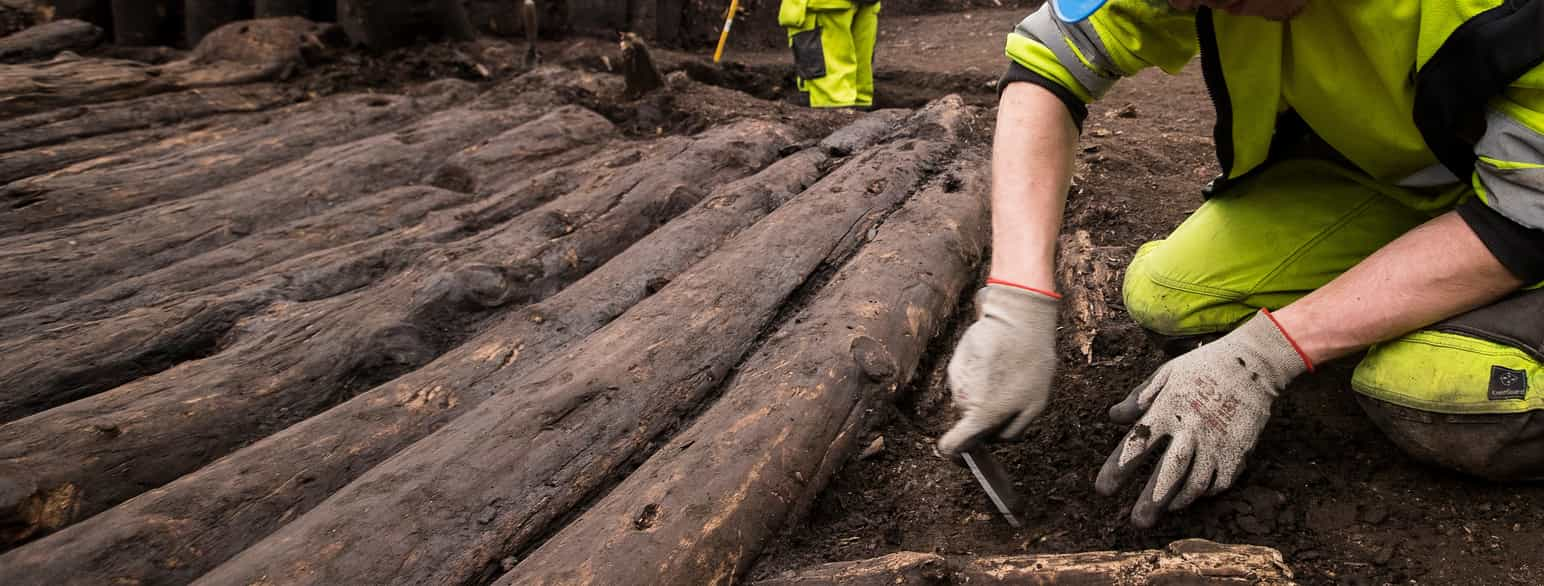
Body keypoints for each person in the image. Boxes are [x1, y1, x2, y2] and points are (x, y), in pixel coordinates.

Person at [937, 0, 1544, 528]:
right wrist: (1016, 300)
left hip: (1529, 204)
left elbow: (1527, 219)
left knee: (1431, 388)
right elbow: (1049, 63)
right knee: (1168, 294)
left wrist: (1267, 353)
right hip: (1439, 178)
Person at [777, 0, 881, 108]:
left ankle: (840, 114)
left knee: (829, 97)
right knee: (860, 93)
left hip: (823, 7)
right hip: (864, 5)